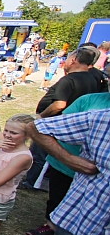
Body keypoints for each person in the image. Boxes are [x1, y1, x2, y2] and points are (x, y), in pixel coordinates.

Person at [26, 91, 110, 235]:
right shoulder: (90, 100)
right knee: (57, 194)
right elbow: (45, 127)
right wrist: (69, 159)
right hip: (65, 163)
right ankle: (51, 226)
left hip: (97, 182)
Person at [22, 47, 99, 189]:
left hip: (55, 123)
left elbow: (59, 104)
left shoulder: (70, 79)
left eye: (69, 57)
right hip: (74, 126)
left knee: (40, 153)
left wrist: (40, 117)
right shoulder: (92, 78)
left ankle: (31, 182)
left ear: (73, 60)